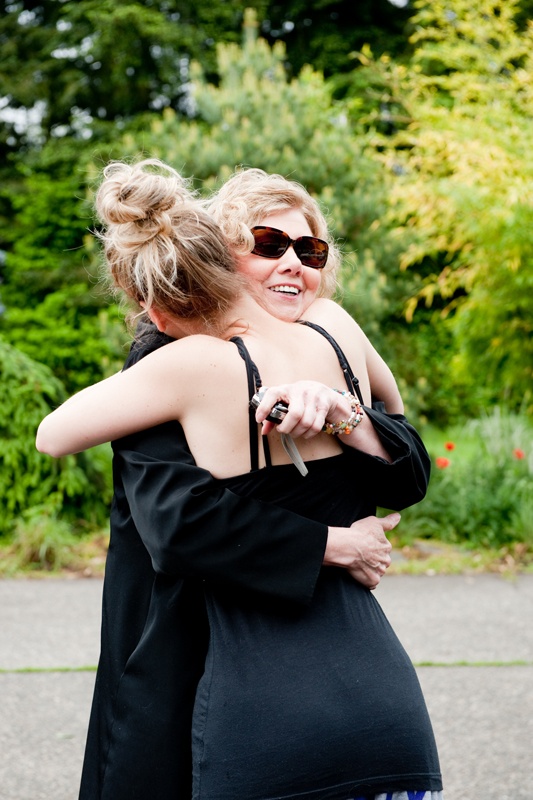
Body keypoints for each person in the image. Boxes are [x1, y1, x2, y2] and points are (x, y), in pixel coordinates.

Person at [37, 159, 442, 800]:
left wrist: (342, 413)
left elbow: (405, 458)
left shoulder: (323, 334)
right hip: (183, 657)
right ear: (223, 258)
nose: (293, 263)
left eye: (308, 248)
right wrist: (340, 545)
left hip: (255, 709)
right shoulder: (172, 362)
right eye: (268, 244)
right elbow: (179, 521)